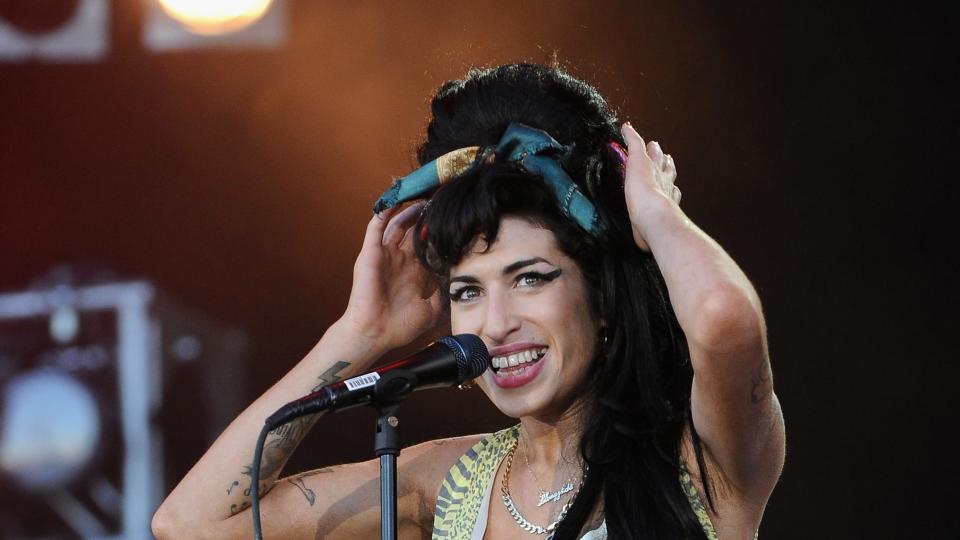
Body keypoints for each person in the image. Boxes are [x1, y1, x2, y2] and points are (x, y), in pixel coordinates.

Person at [152, 63, 784, 539]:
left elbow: (724, 319)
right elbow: (188, 526)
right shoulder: (446, 484)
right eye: (467, 291)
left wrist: (655, 219)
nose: (496, 323)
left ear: (602, 298)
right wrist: (359, 333)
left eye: (531, 278)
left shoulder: (703, 463)